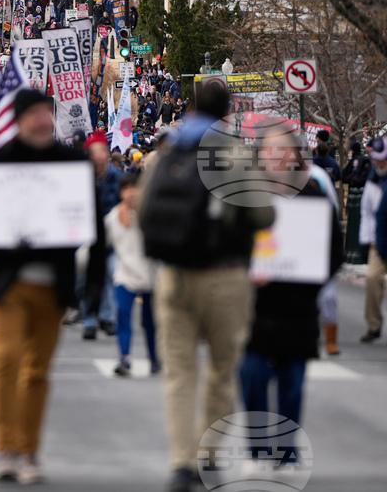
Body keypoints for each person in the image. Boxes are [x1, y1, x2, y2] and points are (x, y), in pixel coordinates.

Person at [138, 85, 274, 492]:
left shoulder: (167, 153)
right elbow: (263, 214)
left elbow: (144, 212)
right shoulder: (231, 154)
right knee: (221, 370)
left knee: (179, 374)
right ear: (228, 114)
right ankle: (207, 455)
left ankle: (181, 462)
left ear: (191, 108)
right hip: (224, 274)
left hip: (174, 275)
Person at [0, 90, 105, 484]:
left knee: (37, 371)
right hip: (8, 283)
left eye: (45, 114)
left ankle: (30, 451)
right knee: (6, 358)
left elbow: (93, 225)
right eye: (32, 113)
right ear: (18, 120)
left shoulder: (72, 163)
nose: (41, 120)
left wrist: (93, 290)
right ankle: (7, 449)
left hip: (54, 284)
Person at [239, 144, 343, 475]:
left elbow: (333, 251)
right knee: (252, 376)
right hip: (256, 305)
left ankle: (286, 453)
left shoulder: (313, 198)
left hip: (298, 307)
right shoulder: (247, 197)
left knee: (292, 382)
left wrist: (313, 278)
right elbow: (230, 242)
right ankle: (256, 450)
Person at [106, 172, 159, 377]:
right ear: (121, 193)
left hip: (150, 275)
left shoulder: (152, 215)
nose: (131, 193)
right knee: (122, 313)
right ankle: (125, 357)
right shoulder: (112, 218)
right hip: (124, 275)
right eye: (127, 189)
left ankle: (154, 359)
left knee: (150, 321)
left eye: (135, 188)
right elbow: (103, 244)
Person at [82, 131, 122, 339]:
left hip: (111, 234)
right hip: (87, 235)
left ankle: (107, 317)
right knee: (88, 275)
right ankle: (88, 319)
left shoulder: (116, 177)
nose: (99, 157)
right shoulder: (81, 177)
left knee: (110, 273)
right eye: (95, 152)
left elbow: (121, 203)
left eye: (102, 152)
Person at [359, 136, 387, 344]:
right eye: (376, 159)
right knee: (373, 278)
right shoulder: (373, 178)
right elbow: (367, 211)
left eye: (383, 159)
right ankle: (374, 325)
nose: (378, 163)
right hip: (379, 240)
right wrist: (366, 241)